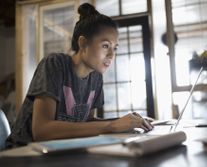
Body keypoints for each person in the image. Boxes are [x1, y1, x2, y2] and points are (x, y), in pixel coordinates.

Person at [6, 3, 153, 148]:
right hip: (22, 152)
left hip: (58, 153)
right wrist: (112, 125)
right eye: (105, 46)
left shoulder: (96, 77)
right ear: (83, 43)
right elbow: (42, 130)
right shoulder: (55, 64)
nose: (111, 55)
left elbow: (86, 123)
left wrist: (125, 122)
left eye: (115, 48)